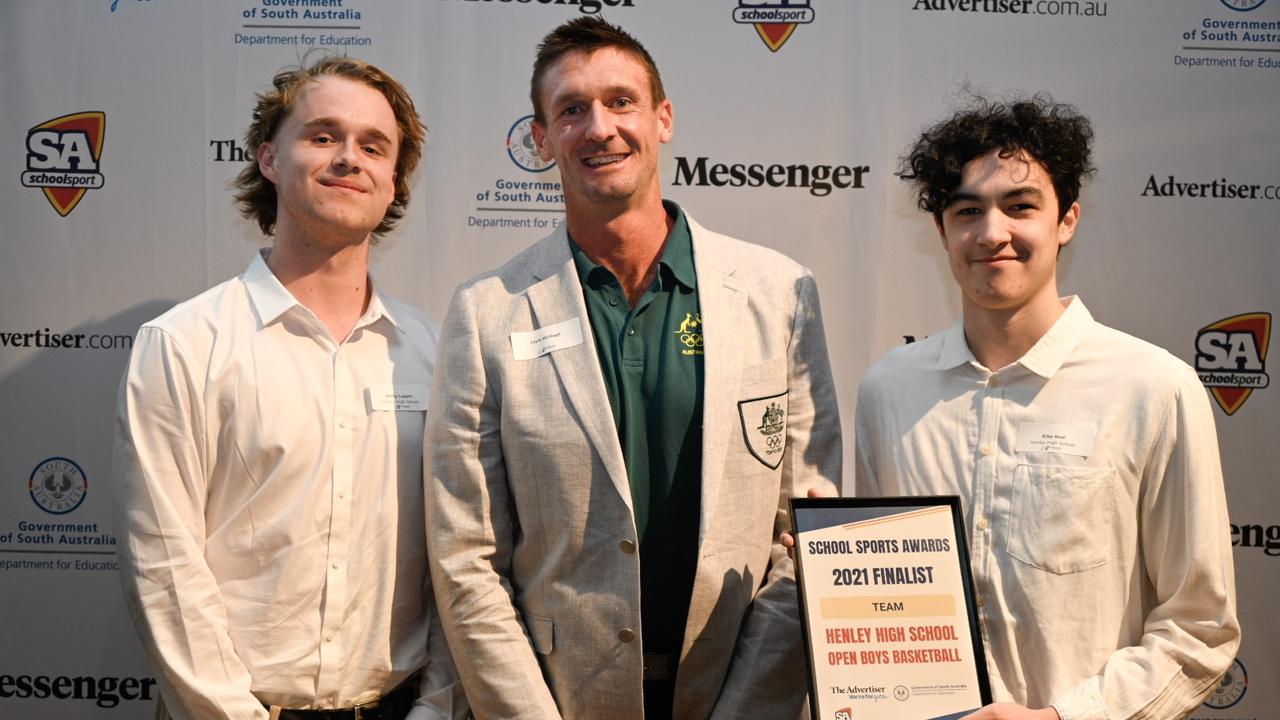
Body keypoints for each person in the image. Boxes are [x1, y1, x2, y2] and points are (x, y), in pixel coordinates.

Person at [424, 16, 841, 720]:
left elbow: (806, 534)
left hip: (733, 697)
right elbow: (465, 558)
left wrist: (746, 710)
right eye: (571, 110)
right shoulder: (487, 312)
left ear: (663, 118)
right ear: (540, 138)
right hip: (557, 701)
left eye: (621, 101)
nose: (599, 127)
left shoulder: (779, 293)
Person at [854, 94, 1240, 719]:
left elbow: (1200, 626)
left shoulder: (1154, 389)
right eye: (967, 210)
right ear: (941, 231)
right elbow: (881, 605)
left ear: (1067, 221)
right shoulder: (888, 390)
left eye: (1020, 206)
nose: (992, 233)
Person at [113, 55, 466, 720]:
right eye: (323, 136)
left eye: (373, 146)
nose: (348, 159)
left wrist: (437, 706)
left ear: (394, 182)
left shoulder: (437, 354)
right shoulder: (184, 344)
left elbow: (460, 557)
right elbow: (163, 567)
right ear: (270, 159)